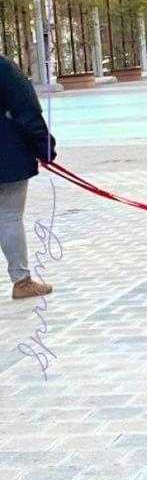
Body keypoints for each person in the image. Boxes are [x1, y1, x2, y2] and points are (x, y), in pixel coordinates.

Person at [0, 53, 57, 301]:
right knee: (9, 216)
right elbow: (27, 111)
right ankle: (21, 281)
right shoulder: (4, 69)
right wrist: (45, 148)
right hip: (6, 158)